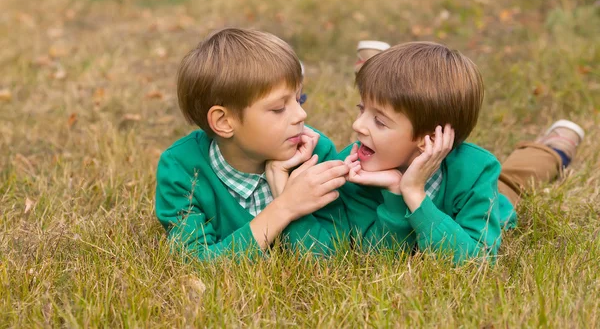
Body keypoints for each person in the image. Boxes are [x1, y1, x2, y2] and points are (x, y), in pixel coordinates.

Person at [334, 41, 585, 263]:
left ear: (429, 139)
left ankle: (554, 148)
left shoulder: (477, 172)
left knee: (514, 180)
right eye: (361, 109)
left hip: (493, 194)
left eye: (380, 120)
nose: (357, 125)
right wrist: (394, 192)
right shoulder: (355, 170)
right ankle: (384, 73)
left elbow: (477, 260)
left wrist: (413, 193)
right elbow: (379, 256)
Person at [154, 28, 349, 260]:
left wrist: (288, 195)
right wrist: (286, 206)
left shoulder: (316, 154)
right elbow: (197, 262)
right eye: (279, 108)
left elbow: (333, 258)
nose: (301, 115)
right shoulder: (181, 170)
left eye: (299, 99)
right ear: (224, 122)